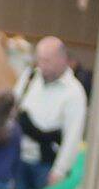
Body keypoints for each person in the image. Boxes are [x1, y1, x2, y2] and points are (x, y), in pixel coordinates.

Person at [16, 36, 89, 178]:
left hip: (46, 166)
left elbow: (72, 136)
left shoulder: (74, 92)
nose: (42, 65)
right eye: (40, 60)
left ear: (62, 60)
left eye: (47, 61)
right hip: (18, 160)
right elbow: (12, 106)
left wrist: (59, 170)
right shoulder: (29, 78)